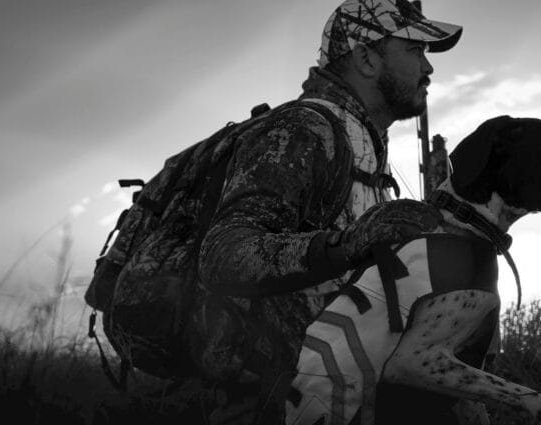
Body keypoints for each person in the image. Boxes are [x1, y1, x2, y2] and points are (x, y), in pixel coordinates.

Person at [195, 1, 462, 423]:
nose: (428, 68)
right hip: (269, 404)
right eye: (415, 50)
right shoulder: (304, 130)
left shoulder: (363, 141)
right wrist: (345, 245)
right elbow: (222, 255)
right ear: (366, 58)